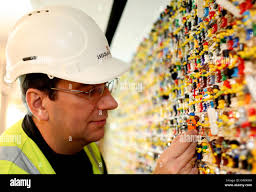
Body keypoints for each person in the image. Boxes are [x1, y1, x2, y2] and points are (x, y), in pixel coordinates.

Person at [0, 6, 198, 174]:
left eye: (106, 86)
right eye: (89, 91)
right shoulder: (9, 167)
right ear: (39, 104)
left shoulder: (84, 145)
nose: (112, 103)